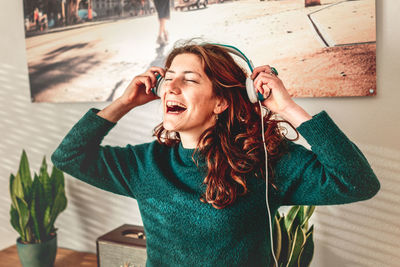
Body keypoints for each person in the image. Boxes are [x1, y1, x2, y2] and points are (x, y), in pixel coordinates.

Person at [51, 42, 380, 266]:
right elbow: (69, 156)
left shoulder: (263, 160)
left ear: (221, 102)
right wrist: (123, 102)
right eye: (168, 78)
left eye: (189, 79)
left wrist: (286, 107)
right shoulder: (146, 163)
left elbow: (356, 182)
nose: (171, 87)